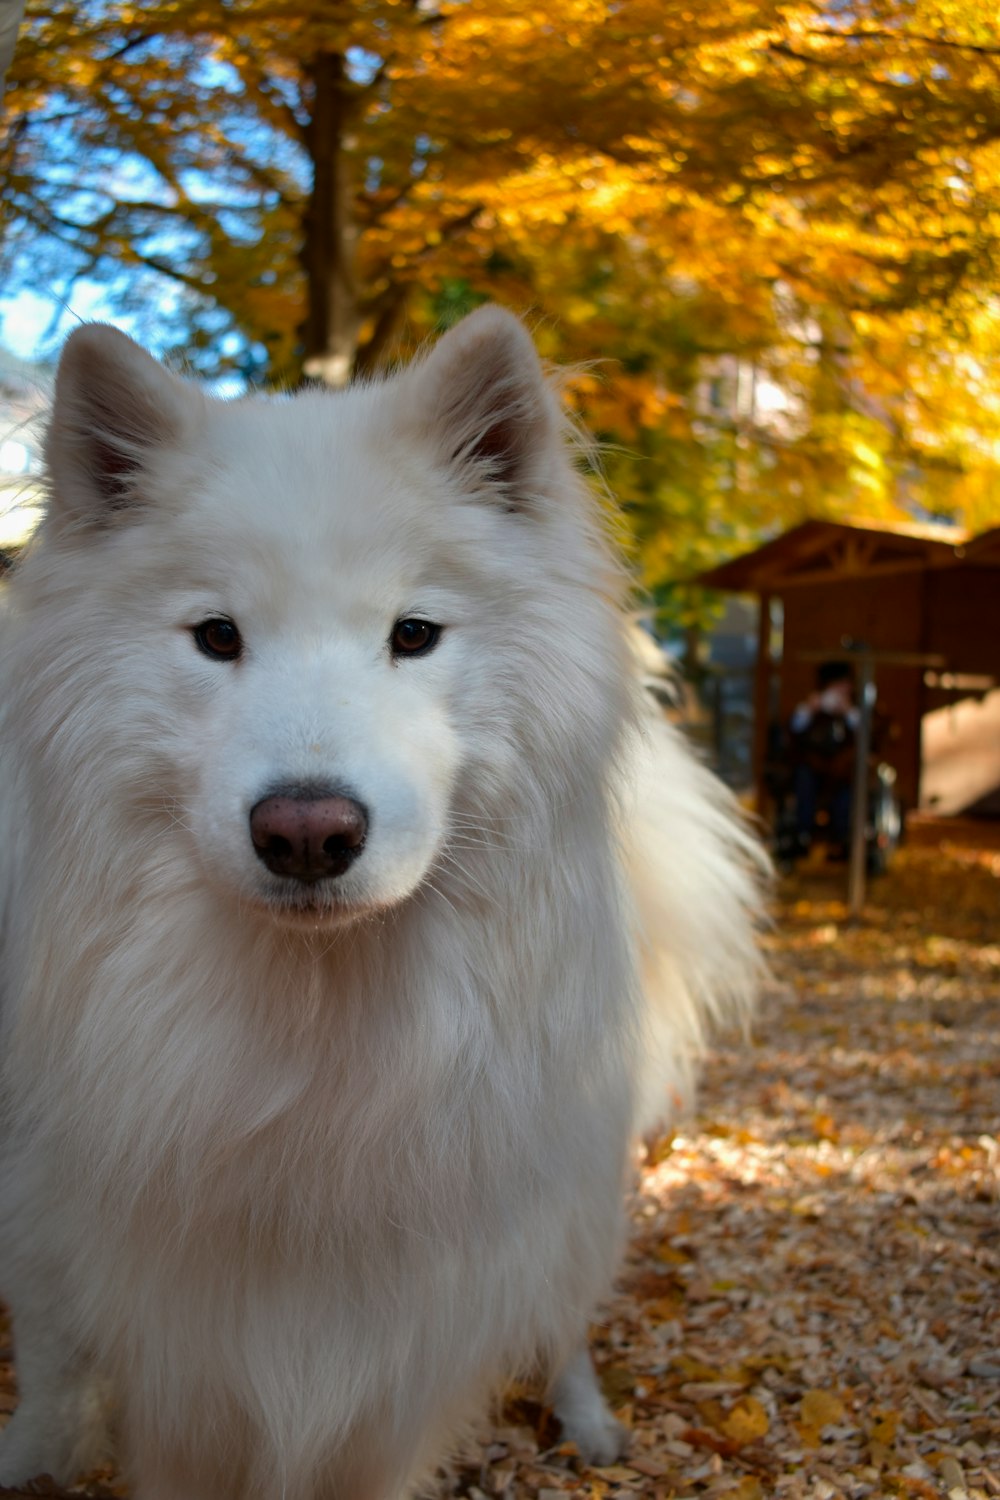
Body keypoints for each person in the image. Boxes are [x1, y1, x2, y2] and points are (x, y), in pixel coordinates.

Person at [787, 661, 859, 859]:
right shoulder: (814, 708)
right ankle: (802, 835)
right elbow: (795, 730)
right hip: (814, 766)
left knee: (848, 791)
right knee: (803, 781)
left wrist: (849, 712)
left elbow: (868, 734)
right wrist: (809, 709)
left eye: (845, 685)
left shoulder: (855, 709)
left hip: (844, 770)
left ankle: (841, 839)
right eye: (837, 686)